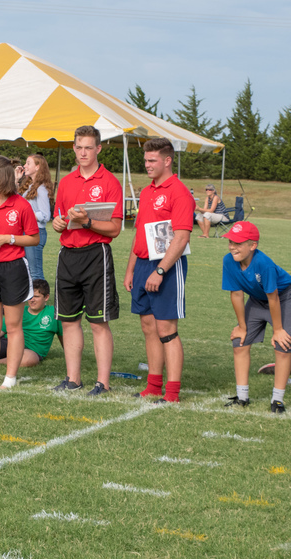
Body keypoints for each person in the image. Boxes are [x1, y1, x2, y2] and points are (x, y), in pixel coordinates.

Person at [51, 125, 124, 395]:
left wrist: (88, 222)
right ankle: (73, 379)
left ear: (98, 149)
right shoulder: (67, 181)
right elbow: (59, 218)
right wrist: (58, 223)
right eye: (79, 147)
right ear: (74, 148)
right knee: (69, 321)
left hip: (96, 255)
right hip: (67, 255)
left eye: (88, 147)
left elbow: (115, 229)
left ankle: (102, 383)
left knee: (98, 322)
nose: (83, 152)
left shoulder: (110, 182)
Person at [124, 137, 194, 403]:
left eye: (152, 160)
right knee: (148, 326)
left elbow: (181, 237)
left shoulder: (179, 192)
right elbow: (139, 233)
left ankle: (172, 392)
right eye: (145, 160)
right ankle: (153, 386)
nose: (147, 165)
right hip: (143, 265)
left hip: (166, 266)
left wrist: (161, 270)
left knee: (167, 328)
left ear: (167, 160)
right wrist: (131, 269)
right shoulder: (146, 191)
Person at [0, 155, 40, 389]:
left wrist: (8, 239)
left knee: (12, 327)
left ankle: (9, 379)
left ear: (1, 177)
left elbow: (34, 238)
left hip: (13, 269)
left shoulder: (22, 205)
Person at [221, 222, 290, 413]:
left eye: (238, 243)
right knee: (239, 342)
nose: (232, 246)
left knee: (283, 345)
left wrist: (278, 330)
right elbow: (236, 294)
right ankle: (242, 397)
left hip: (283, 298)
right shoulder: (229, 261)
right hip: (258, 300)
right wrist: (242, 326)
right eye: (231, 242)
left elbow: (274, 297)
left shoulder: (264, 264)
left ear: (253, 246)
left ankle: (277, 400)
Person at [18, 154, 52, 282]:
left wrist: (26, 215)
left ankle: (40, 300)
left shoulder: (41, 188)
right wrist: (16, 179)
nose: (24, 166)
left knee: (35, 272)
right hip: (27, 233)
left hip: (35, 232)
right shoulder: (30, 186)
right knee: (27, 271)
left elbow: (45, 215)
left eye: (28, 163)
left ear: (37, 167)